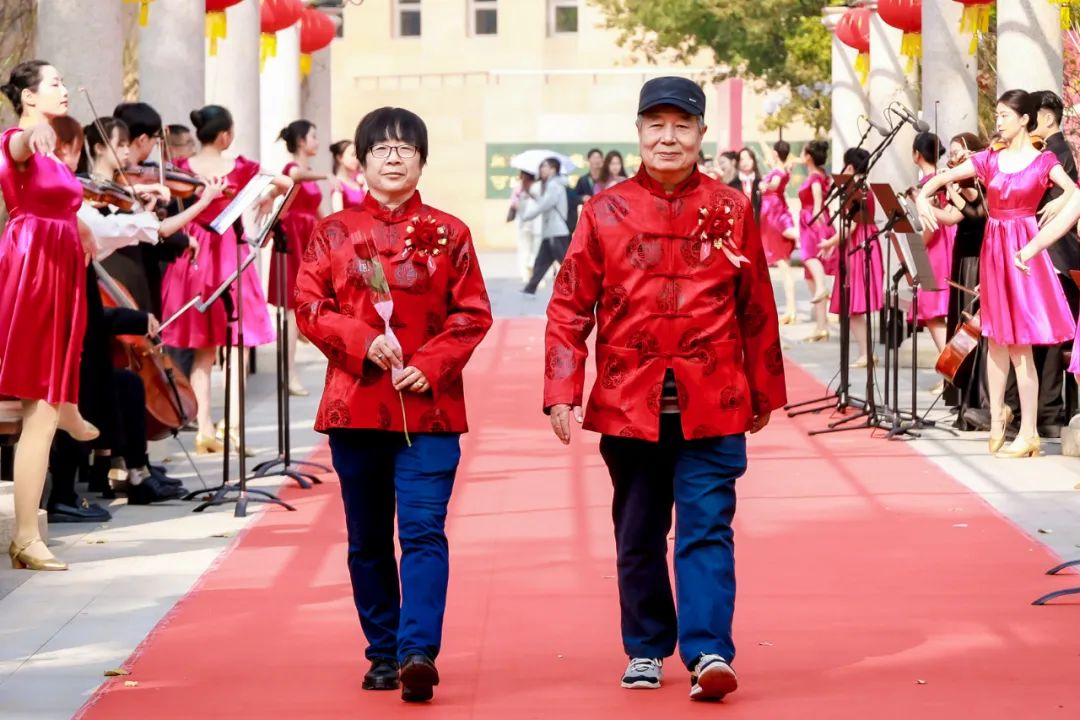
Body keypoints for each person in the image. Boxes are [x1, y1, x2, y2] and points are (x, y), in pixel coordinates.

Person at [544, 76, 787, 702]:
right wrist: (562, 387)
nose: (668, 137)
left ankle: (709, 651)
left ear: (702, 133)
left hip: (715, 399)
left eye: (682, 125)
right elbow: (569, 304)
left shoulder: (732, 207)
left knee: (708, 527)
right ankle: (647, 647)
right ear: (639, 132)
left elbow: (756, 301)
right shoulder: (604, 210)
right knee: (639, 532)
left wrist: (763, 390)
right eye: (656, 125)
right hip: (630, 401)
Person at [295, 106, 492, 704]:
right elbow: (309, 306)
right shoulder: (333, 232)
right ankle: (382, 651)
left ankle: (417, 652)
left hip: (429, 408)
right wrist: (361, 340)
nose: (394, 158)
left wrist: (429, 364)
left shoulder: (450, 232)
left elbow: (473, 313)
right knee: (368, 536)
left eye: (406, 148)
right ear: (361, 161)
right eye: (381, 148)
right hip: (355, 406)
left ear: (422, 160)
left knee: (425, 530)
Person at [918, 89, 1079, 458]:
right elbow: (942, 177)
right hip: (994, 249)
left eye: (1005, 115)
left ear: (1024, 119)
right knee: (993, 338)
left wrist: (1059, 202)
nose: (998, 121)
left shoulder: (1043, 161)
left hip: (1024, 248)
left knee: (1020, 344)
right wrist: (923, 196)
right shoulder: (989, 158)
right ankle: (996, 421)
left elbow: (1073, 189)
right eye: (998, 115)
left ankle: (1029, 432)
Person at [0, 60, 98, 570]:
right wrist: (31, 133)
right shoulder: (18, 140)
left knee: (53, 387)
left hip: (59, 268)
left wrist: (80, 226)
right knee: (39, 407)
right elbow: (18, 146)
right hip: (34, 271)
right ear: (29, 96)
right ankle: (24, 537)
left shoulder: (55, 153)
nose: (64, 89)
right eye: (55, 83)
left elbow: (63, 203)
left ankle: (69, 409)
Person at [159, 104, 291, 454]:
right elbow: (284, 183)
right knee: (237, 345)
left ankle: (204, 427)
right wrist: (268, 198)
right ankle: (233, 426)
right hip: (230, 251)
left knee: (203, 350)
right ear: (224, 136)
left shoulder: (181, 167)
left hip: (194, 256)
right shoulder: (242, 167)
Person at [1012, 89, 1080, 437]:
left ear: (1048, 117)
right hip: (1048, 252)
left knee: (1053, 337)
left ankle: (1049, 412)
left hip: (1058, 256)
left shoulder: (1055, 154)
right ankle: (1040, 412)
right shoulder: (1049, 152)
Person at [268, 119, 326, 398]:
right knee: (292, 308)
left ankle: (301, 336)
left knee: (305, 303)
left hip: (308, 239)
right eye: (313, 136)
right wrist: (327, 176)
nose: (317, 141)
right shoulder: (292, 168)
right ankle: (288, 374)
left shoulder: (309, 172)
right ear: (301, 141)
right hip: (292, 238)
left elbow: (320, 213)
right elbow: (295, 176)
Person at [943, 133, 991, 429]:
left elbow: (976, 215)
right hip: (963, 254)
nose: (954, 158)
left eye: (958, 152)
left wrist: (951, 187)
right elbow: (956, 216)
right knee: (960, 325)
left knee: (970, 327)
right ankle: (961, 395)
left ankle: (973, 400)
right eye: (951, 153)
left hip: (977, 257)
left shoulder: (979, 180)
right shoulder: (966, 181)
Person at [819, 147, 883, 367]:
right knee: (855, 305)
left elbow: (851, 226)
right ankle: (866, 353)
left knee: (853, 305)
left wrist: (828, 243)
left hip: (858, 246)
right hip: (867, 242)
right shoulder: (865, 188)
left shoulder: (853, 190)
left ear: (849, 167)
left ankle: (866, 354)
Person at [910, 132, 955, 394]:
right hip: (946, 246)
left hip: (933, 249)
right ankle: (949, 371)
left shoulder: (927, 186)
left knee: (931, 312)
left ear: (917, 154)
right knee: (938, 312)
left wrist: (917, 246)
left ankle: (950, 372)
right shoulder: (940, 180)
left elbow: (929, 227)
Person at [798, 139, 835, 341]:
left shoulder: (814, 177)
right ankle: (822, 326)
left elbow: (818, 199)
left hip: (812, 221)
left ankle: (822, 286)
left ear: (808, 157)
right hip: (813, 220)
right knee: (809, 275)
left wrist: (817, 223)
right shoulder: (821, 174)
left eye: (803, 152)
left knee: (809, 258)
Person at [758, 140, 799, 323]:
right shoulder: (783, 169)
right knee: (784, 267)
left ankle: (790, 310)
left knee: (783, 266)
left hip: (773, 216)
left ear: (776, 153)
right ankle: (791, 310)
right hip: (776, 213)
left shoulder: (778, 171)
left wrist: (764, 186)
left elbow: (774, 184)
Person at [520, 157, 571, 295]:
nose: (542, 169)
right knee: (541, 262)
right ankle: (529, 289)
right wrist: (535, 197)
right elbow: (546, 202)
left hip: (556, 231)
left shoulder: (554, 185)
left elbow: (545, 204)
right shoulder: (552, 184)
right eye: (541, 166)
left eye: (545, 166)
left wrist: (526, 216)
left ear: (553, 169)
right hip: (551, 231)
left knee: (565, 262)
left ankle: (582, 287)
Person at [508, 169, 542, 282]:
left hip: (536, 223)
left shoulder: (537, 187)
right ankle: (525, 274)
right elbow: (513, 203)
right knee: (524, 248)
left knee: (534, 248)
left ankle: (531, 269)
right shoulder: (518, 188)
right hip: (523, 223)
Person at [329, 139, 366, 211]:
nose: (357, 158)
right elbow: (338, 213)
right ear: (340, 158)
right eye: (353, 155)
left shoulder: (359, 182)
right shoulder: (337, 184)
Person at [729, 147, 761, 223]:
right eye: (742, 159)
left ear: (754, 161)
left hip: (758, 224)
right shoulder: (732, 185)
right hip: (739, 224)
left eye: (749, 158)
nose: (746, 162)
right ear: (738, 163)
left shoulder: (760, 183)